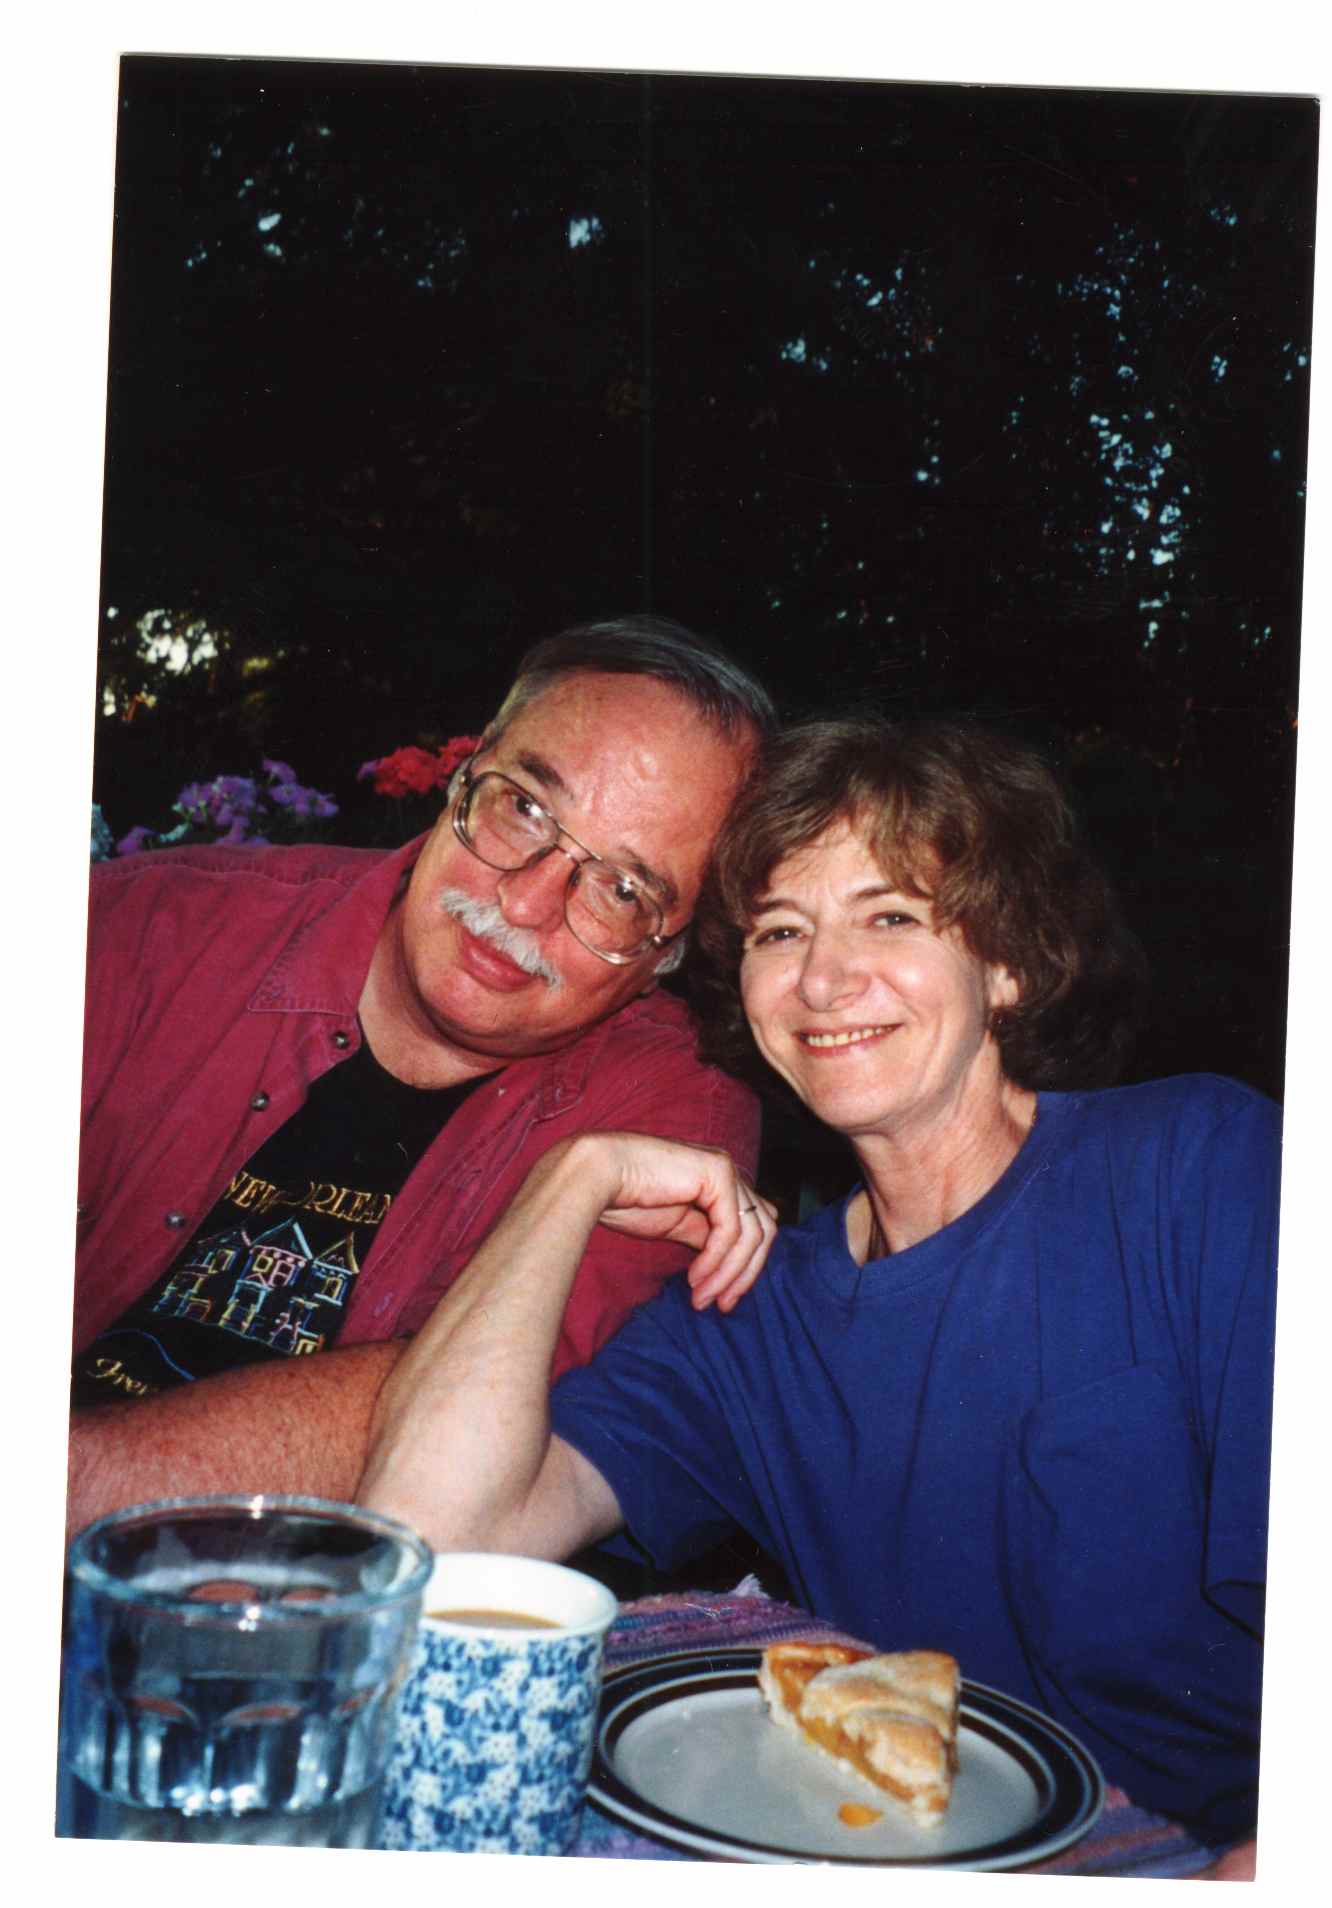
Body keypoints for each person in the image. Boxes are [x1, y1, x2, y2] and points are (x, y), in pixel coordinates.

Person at [359, 715, 1276, 1861]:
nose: (825, 979)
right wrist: (568, 1181)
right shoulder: (750, 1310)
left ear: (1009, 963)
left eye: (890, 917)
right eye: (781, 930)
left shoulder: (1198, 1168)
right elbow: (427, 1541)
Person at [67, 615, 774, 1536]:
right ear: (461, 776)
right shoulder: (138, 931)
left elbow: (470, 1424)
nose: (523, 901)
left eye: (622, 890)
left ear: (665, 958)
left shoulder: (671, 1115)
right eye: (525, 807)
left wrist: (57, 1487)